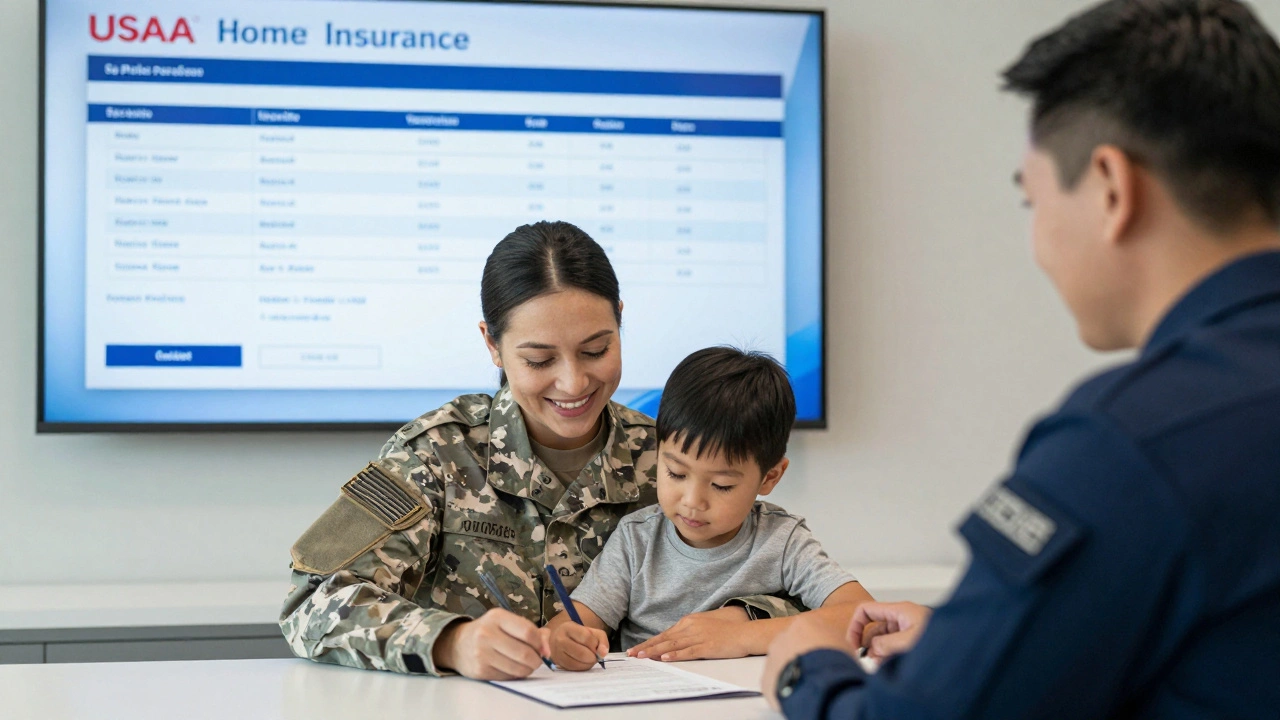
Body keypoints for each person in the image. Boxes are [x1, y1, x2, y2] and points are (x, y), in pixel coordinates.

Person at [763, 0, 1280, 717]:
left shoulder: (1127, 442)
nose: (1037, 240)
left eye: (1032, 201)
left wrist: (804, 672)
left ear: (1110, 187)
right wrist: (982, 637)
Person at [279, 221, 798, 680]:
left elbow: (782, 575)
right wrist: (451, 642)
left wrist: (745, 619)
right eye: (538, 359)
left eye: (597, 350)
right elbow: (313, 601)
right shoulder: (437, 452)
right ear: (492, 344)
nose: (573, 382)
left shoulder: (667, 457)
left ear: (620, 320)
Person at [545, 347, 875, 670]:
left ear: (769, 478)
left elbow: (864, 617)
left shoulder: (783, 540)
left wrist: (744, 636)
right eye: (675, 473)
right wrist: (564, 642)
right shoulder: (636, 540)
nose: (692, 501)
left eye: (721, 485)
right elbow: (575, 623)